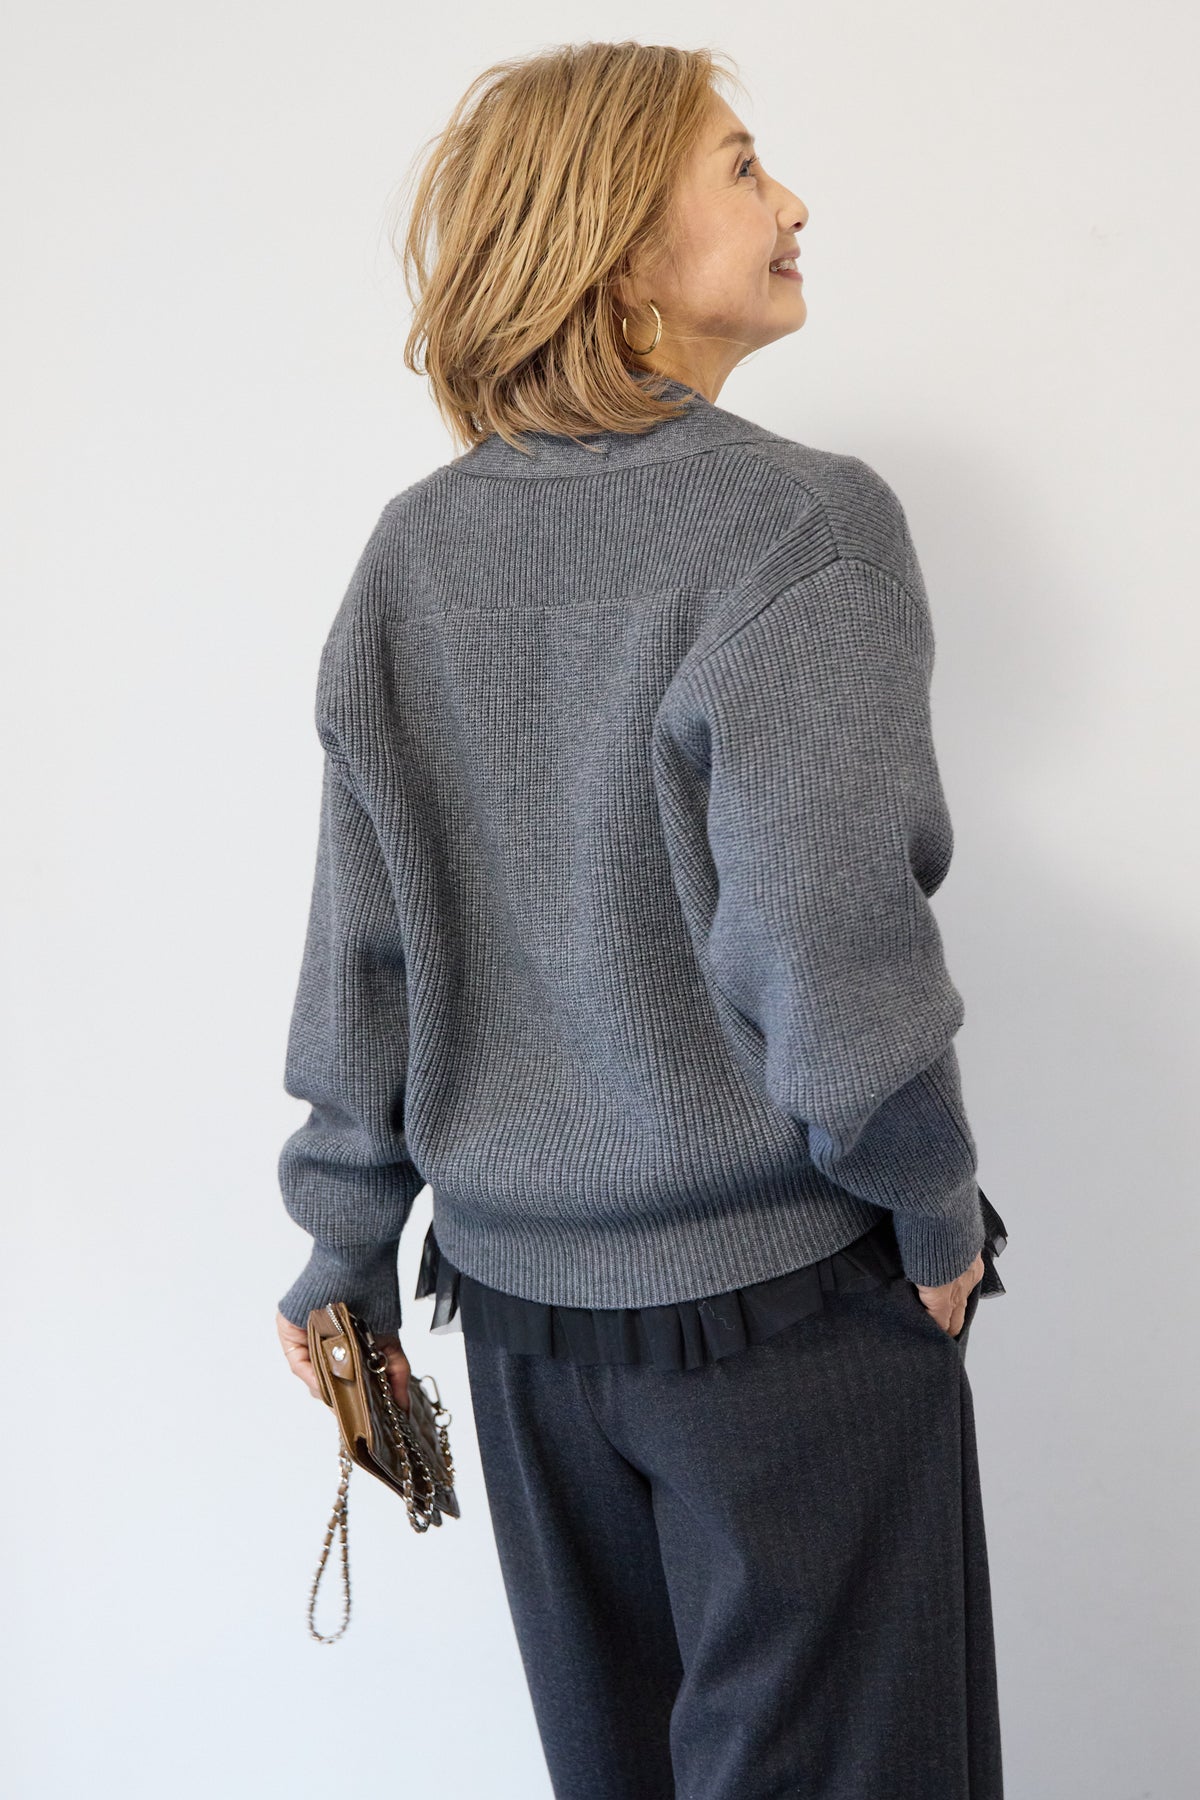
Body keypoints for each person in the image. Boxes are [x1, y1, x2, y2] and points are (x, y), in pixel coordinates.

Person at [274, 40, 1009, 1799]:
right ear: (617, 248)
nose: (792, 201)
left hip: (523, 1339)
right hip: (787, 1323)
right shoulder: (800, 529)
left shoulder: (412, 556)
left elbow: (365, 947)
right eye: (743, 168)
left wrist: (342, 1250)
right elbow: (826, 938)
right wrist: (933, 1208)